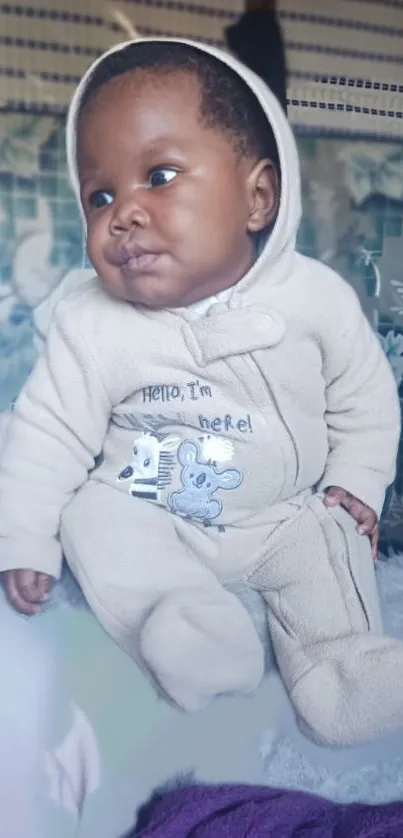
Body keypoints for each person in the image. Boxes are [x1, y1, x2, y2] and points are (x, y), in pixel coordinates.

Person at [0, 38, 402, 747]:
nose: (122, 212)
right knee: (93, 516)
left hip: (280, 512)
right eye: (100, 194)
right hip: (152, 507)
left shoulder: (313, 299)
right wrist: (25, 536)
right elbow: (46, 434)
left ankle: (344, 674)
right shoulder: (90, 323)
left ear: (257, 196)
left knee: (326, 543)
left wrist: (355, 483)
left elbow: (363, 396)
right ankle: (183, 624)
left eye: (158, 175)